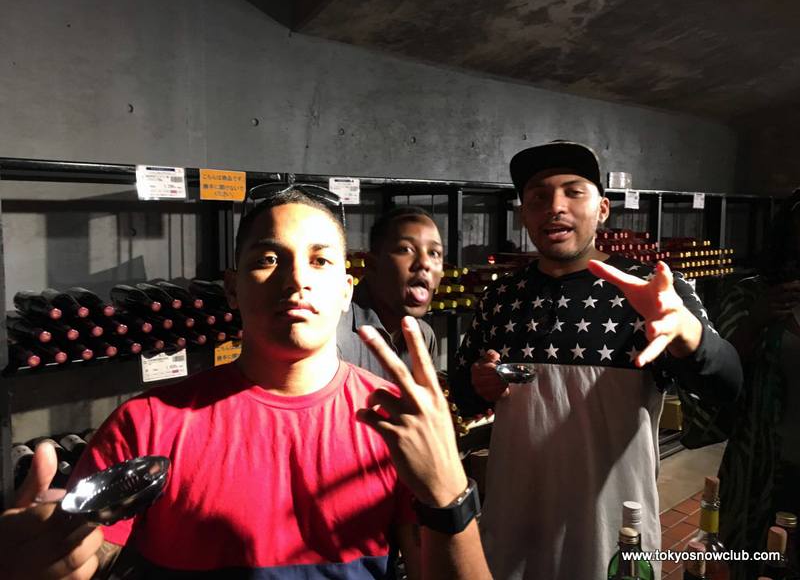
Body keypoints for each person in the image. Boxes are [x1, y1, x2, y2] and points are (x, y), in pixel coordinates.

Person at [0, 184, 491, 580]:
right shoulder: (145, 424)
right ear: (232, 289)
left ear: (346, 290)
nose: (296, 279)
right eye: (269, 259)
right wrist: (52, 562)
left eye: (320, 260)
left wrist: (448, 491)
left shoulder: (396, 423)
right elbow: (95, 555)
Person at [449, 140, 743, 580]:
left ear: (603, 209)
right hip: (513, 531)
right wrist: (479, 385)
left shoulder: (650, 291)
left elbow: (729, 387)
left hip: (614, 536)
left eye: (573, 192)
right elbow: (462, 394)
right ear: (523, 215)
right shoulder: (500, 297)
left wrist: (688, 336)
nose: (555, 207)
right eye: (538, 197)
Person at [716, 189, 800, 580]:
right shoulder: (752, 294)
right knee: (750, 563)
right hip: (761, 470)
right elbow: (717, 376)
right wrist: (756, 320)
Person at [337, 206, 444, 376]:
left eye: (434, 253)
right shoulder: (335, 332)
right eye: (405, 249)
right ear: (371, 265)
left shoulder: (423, 336)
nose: (425, 263)